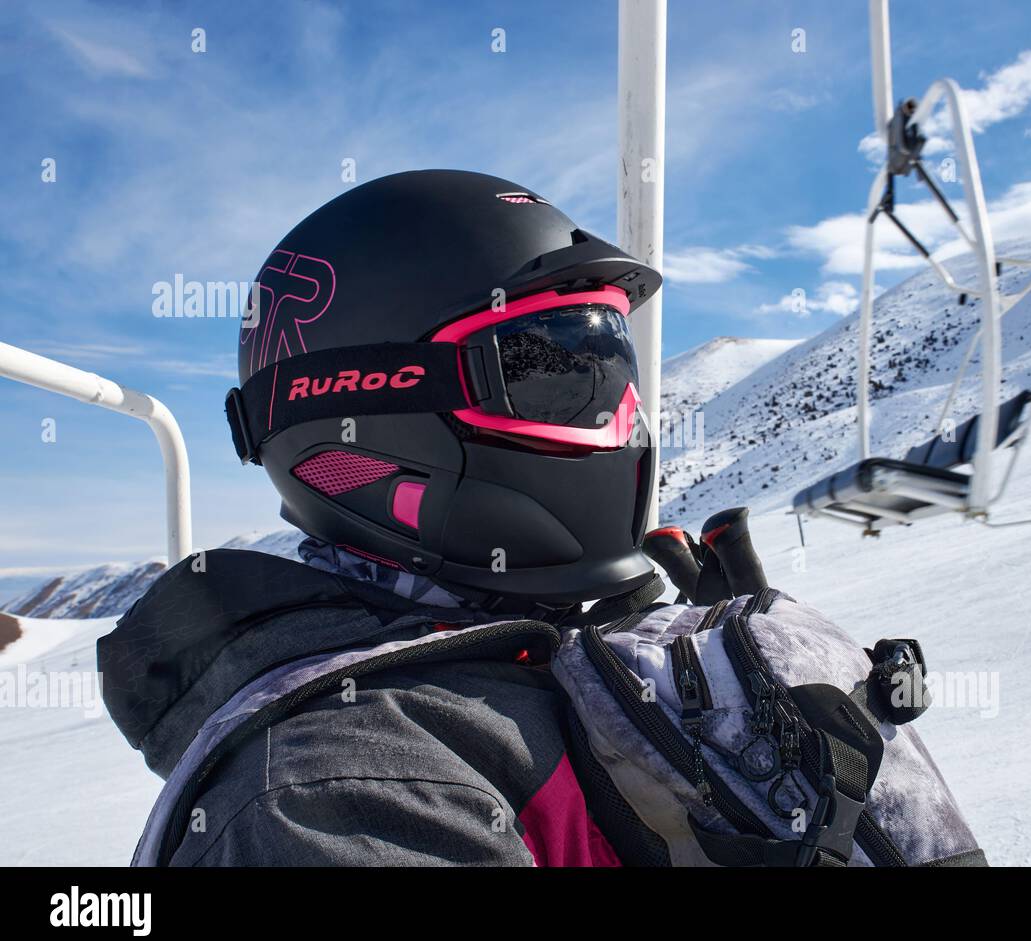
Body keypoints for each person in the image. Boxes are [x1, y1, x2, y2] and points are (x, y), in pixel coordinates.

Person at [100, 170, 665, 866]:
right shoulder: (328, 799)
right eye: (552, 375)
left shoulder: (511, 642)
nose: (624, 422)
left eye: (606, 363)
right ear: (371, 406)